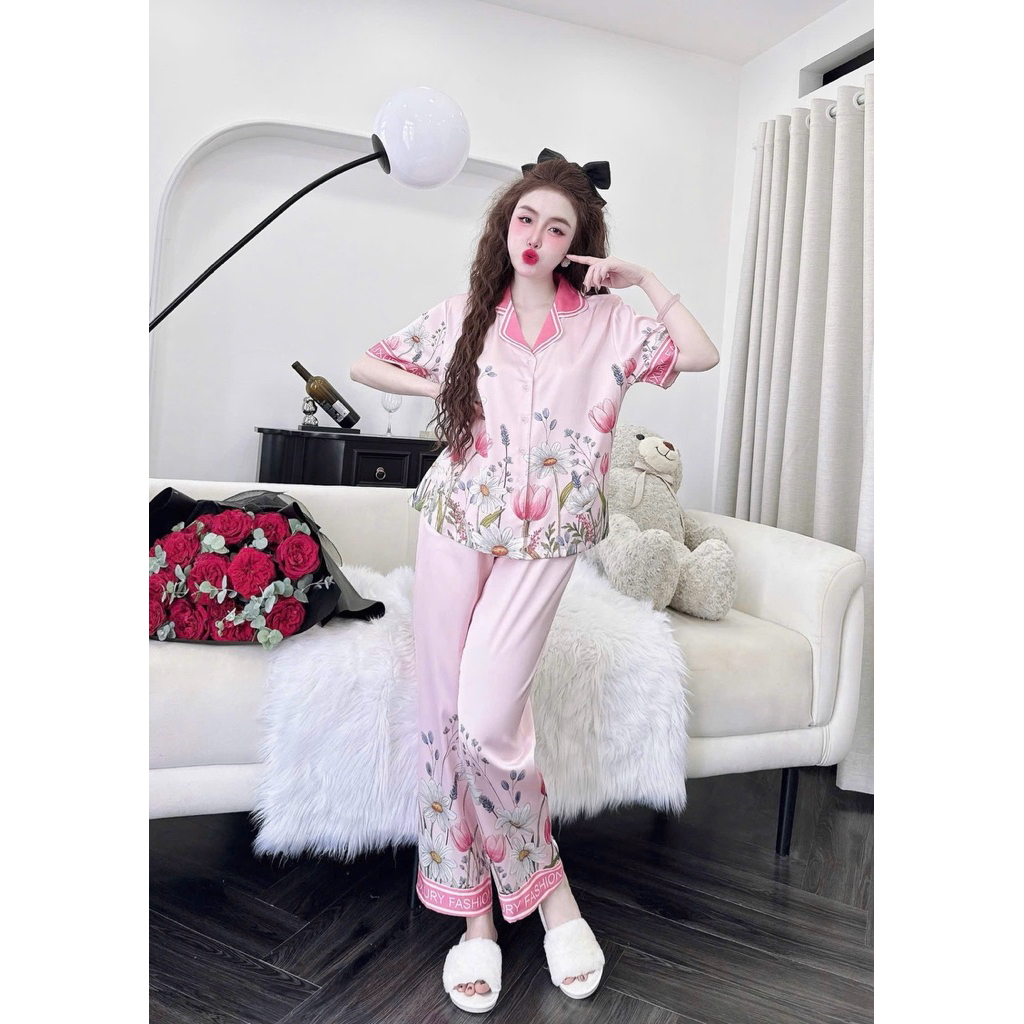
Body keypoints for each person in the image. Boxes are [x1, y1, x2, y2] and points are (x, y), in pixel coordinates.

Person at [349, 148, 719, 1012]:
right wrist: (444, 382)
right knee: (447, 717)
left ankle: (550, 891)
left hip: (546, 539)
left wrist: (645, 279)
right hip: (454, 525)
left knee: (489, 719)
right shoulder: (464, 316)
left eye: (557, 228)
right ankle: (474, 917)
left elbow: (699, 354)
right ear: (505, 224)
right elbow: (367, 362)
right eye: (526, 219)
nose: (537, 237)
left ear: (574, 245)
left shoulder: (609, 325)